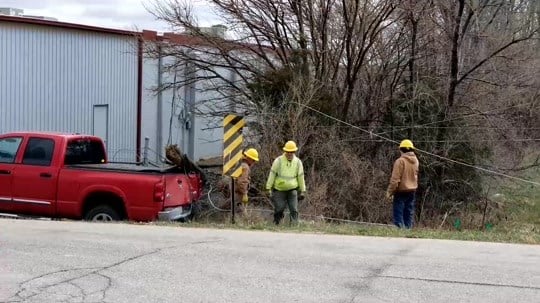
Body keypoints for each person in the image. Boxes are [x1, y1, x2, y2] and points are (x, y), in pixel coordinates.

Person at [266, 140, 306, 225]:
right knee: (279, 208)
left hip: (292, 189)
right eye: (288, 152)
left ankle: (294, 225)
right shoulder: (278, 161)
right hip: (279, 189)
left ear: (294, 152)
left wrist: (303, 190)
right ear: (285, 151)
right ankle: (276, 223)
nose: (289, 154)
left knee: (294, 209)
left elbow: (301, 177)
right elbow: (272, 175)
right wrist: (268, 188)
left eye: (291, 152)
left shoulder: (298, 162)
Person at [386, 139, 419, 229]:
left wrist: (390, 192)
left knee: (398, 211)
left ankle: (400, 230)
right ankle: (408, 230)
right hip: (412, 190)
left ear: (401, 150)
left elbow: (395, 179)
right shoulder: (416, 161)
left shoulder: (400, 161)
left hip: (401, 190)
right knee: (408, 211)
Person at [234, 148, 259, 214]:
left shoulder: (240, 163)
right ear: (249, 158)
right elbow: (242, 182)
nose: (254, 162)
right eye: (253, 160)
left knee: (233, 208)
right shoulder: (245, 167)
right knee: (241, 211)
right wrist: (244, 193)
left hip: (235, 191)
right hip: (239, 193)